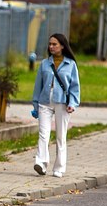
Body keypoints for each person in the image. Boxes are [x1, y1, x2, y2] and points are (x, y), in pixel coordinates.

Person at [30, 33, 80, 178]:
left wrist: (73, 103)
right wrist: (35, 105)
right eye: (50, 44)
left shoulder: (71, 64)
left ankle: (59, 168)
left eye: (54, 44)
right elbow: (38, 86)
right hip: (45, 102)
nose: (51, 46)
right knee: (43, 134)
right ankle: (41, 163)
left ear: (62, 46)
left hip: (62, 103)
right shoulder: (44, 64)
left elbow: (75, 87)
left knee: (60, 136)